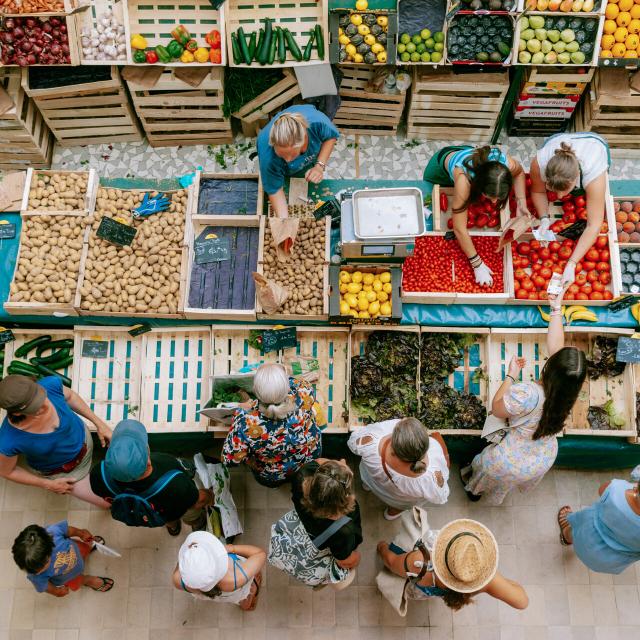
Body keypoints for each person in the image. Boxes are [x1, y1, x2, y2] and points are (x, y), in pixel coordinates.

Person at [460, 291, 587, 505]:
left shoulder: (528, 394)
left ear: (551, 368)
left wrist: (510, 375)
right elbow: (557, 347)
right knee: (504, 483)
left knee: (485, 471)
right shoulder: (568, 392)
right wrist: (556, 309)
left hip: (508, 459)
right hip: (541, 458)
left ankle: (474, 492)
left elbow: (497, 409)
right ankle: (491, 492)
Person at [423, 145, 528, 287]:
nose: (494, 202)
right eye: (489, 196)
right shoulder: (463, 180)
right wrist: (477, 264)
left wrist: (521, 203)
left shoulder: (505, 166)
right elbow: (459, 229)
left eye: (498, 198)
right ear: (478, 185)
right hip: (442, 168)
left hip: (476, 160)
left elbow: (520, 172)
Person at [0, 374, 111, 507]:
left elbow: (70, 397)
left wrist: (99, 424)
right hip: (67, 472)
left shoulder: (50, 384)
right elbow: (7, 471)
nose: (45, 405)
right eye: (35, 407)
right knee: (107, 503)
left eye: (41, 396)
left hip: (84, 439)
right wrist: (48, 484)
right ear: (17, 413)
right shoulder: (8, 440)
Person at [90, 419, 212, 536]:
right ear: (148, 458)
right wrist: (210, 495)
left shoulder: (97, 476)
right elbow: (196, 501)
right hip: (167, 511)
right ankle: (176, 525)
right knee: (174, 516)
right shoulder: (172, 475)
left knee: (165, 517)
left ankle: (173, 528)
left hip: (142, 511)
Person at [377, 518, 528, 611]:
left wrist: (382, 547)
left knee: (395, 553)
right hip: (437, 591)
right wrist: (487, 575)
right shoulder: (486, 583)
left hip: (418, 575)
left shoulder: (419, 562)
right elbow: (522, 602)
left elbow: (391, 561)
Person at [528, 133, 610, 289]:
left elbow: (594, 225)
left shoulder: (594, 175)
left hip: (595, 145)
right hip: (558, 140)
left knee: (593, 199)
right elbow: (538, 192)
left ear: (576, 179)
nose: (559, 197)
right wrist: (544, 218)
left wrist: (572, 264)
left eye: (563, 191)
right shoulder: (540, 163)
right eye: (553, 190)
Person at [222, 363, 322, 487]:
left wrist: (247, 407)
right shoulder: (304, 392)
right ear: (286, 387)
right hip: (306, 461)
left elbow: (231, 459)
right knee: (299, 478)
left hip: (271, 473)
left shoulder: (244, 421)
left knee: (271, 481)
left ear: (256, 392)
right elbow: (296, 383)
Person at [269, 459, 362, 590]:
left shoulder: (301, 476)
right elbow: (344, 560)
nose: (342, 461)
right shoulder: (344, 527)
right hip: (326, 543)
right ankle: (322, 581)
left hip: (299, 530)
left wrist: (334, 470)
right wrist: (357, 558)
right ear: (344, 498)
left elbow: (318, 462)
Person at [347, 417, 450, 520]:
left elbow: (353, 441)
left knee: (369, 481)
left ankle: (367, 486)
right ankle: (391, 515)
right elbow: (440, 496)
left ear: (394, 446)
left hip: (372, 480)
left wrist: (398, 422)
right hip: (398, 499)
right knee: (398, 506)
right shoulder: (431, 473)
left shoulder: (371, 443)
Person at [257, 105, 339, 218]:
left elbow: (331, 138)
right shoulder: (268, 156)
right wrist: (285, 222)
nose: (288, 161)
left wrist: (319, 166)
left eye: (292, 155)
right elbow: (274, 190)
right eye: (281, 155)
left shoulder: (317, 123)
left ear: (304, 139)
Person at [557, 477, 640, 574]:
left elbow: (601, 489)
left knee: (575, 528)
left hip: (587, 534)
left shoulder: (617, 489)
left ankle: (566, 537)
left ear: (637, 487)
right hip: (609, 561)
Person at [12, 521, 114, 596]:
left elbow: (70, 531)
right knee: (78, 581)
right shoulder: (34, 574)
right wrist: (57, 592)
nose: (36, 573)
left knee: (84, 547)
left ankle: (89, 547)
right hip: (69, 577)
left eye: (40, 569)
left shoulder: (53, 531)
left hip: (76, 549)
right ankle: (87, 580)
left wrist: (82, 533)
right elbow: (46, 587)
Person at [172, 531, 265, 611]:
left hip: (213, 595)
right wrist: (231, 548)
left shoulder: (177, 580)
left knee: (233, 598)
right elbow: (260, 554)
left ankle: (243, 602)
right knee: (244, 591)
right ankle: (249, 597)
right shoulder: (233, 580)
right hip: (237, 589)